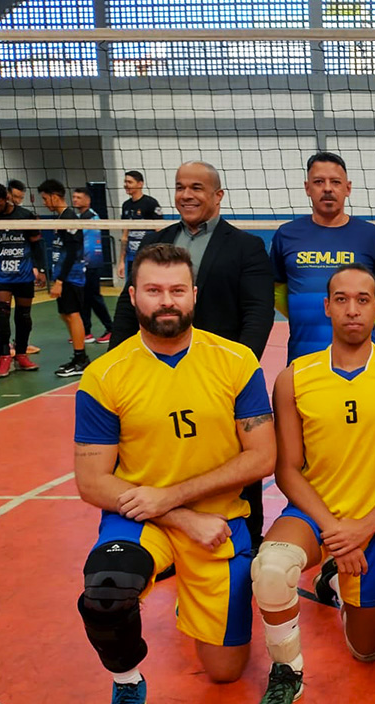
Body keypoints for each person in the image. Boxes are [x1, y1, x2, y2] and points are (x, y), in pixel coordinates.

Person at [73, 243, 276, 704]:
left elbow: (261, 458)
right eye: (155, 290)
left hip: (220, 522)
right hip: (143, 517)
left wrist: (176, 496)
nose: (167, 301)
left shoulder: (235, 361)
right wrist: (177, 513)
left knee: (226, 673)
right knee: (106, 592)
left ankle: (194, 593)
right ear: (134, 295)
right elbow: (93, 482)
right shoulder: (106, 374)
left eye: (177, 290)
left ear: (194, 295)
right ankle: (126, 685)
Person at [250, 264, 375, 704]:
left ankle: (334, 581)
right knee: (271, 569)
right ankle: (286, 674)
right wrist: (336, 531)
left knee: (368, 653)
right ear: (326, 307)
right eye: (342, 299)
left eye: (363, 299)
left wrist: (363, 529)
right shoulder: (294, 377)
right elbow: (287, 470)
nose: (353, 309)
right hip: (314, 515)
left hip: (374, 522)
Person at [109, 161, 275, 545]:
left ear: (217, 196)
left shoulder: (246, 247)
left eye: (197, 187)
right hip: (155, 373)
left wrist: (233, 371)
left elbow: (257, 314)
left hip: (218, 379)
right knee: (159, 457)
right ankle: (162, 536)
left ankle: (248, 540)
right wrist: (115, 363)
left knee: (238, 459)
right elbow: (125, 306)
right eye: (181, 187)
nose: (187, 195)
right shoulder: (156, 243)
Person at [270, 151, 375, 362]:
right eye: (319, 182)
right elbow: (278, 289)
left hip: (361, 359)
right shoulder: (286, 234)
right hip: (304, 357)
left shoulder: (371, 235)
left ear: (348, 188)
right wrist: (306, 317)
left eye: (335, 182)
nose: (327, 188)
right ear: (307, 188)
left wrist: (361, 322)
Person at [0, 182, 44, 378]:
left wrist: (42, 268)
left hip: (23, 274)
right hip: (0, 274)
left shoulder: (25, 215)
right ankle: (4, 357)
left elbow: (37, 245)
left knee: (23, 317)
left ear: (6, 197)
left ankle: (21, 354)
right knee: (2, 316)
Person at [39, 179, 90, 377]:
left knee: (73, 314)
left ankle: (81, 358)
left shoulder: (69, 217)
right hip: (64, 275)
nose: (44, 203)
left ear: (54, 196)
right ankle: (78, 356)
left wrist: (60, 280)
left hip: (72, 276)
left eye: (45, 199)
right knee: (65, 314)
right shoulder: (60, 217)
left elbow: (72, 252)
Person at [72, 186, 113, 343]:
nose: (75, 200)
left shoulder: (91, 218)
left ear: (88, 200)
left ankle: (111, 328)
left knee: (94, 298)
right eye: (74, 197)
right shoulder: (79, 217)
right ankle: (86, 331)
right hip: (83, 265)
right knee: (84, 299)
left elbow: (87, 244)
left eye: (79, 197)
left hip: (91, 265)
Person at [116, 170, 163, 280]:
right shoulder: (126, 206)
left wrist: (160, 257)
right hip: (132, 257)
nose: (126, 185)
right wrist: (121, 261)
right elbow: (124, 236)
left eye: (129, 182)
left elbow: (159, 231)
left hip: (148, 257)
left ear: (140, 184)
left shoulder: (151, 203)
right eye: (125, 182)